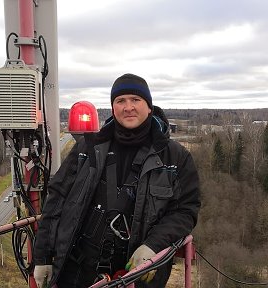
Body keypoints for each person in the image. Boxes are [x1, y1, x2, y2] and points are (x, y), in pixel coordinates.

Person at [33, 73, 201, 288]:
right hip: (77, 271)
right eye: (120, 101)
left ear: (149, 106)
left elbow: (185, 210)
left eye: (135, 100)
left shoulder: (175, 157)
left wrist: (153, 246)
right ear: (113, 108)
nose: (128, 107)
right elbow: (57, 198)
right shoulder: (89, 147)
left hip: (134, 274)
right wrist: (43, 256)